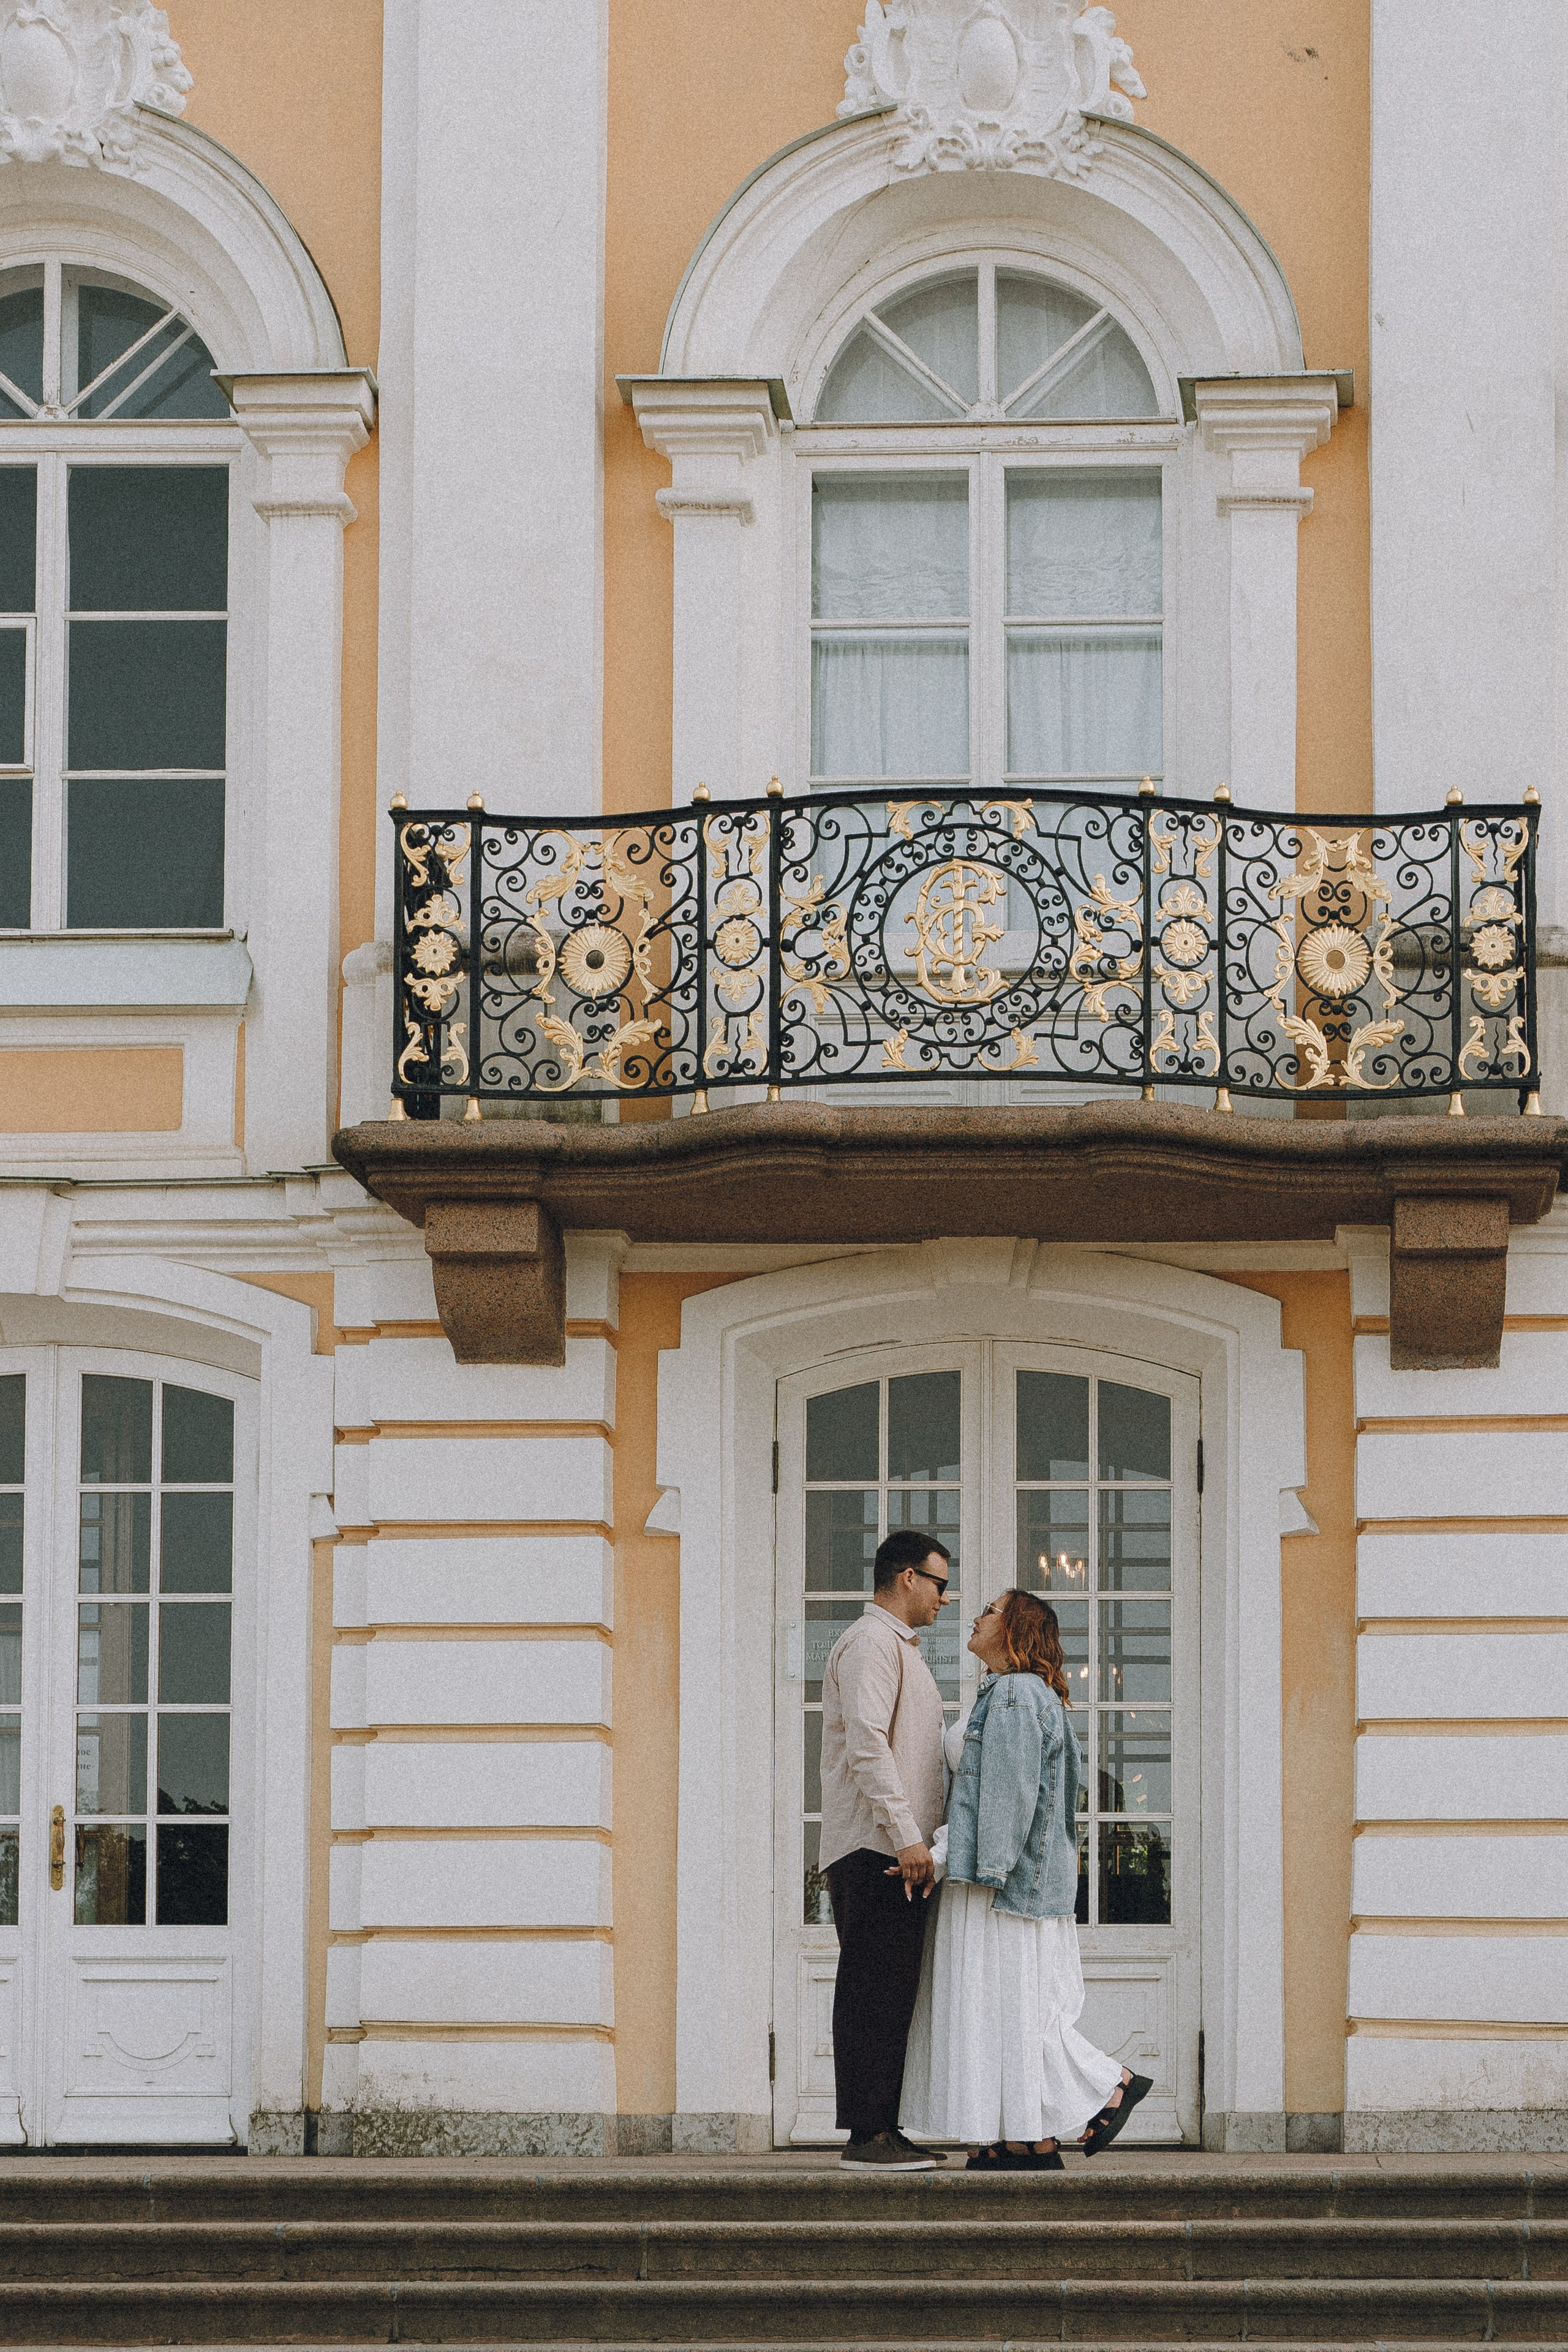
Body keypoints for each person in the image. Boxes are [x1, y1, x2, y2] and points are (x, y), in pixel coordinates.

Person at [900, 1588, 1152, 2171]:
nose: (975, 1615)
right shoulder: (1014, 1692)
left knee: (1006, 2011)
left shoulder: (1014, 1694)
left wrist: (945, 1863)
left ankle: (1108, 2086)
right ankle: (1022, 2136)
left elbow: (1008, 1801)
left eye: (990, 1610)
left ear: (1014, 1628)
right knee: (1009, 2014)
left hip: (997, 1888)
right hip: (1005, 1884)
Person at [818, 1526, 951, 2170]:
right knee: (872, 1989)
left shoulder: (896, 1646)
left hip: (894, 1849)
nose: (944, 1600)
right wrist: (907, 1835)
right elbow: (867, 1743)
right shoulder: (873, 1642)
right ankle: (867, 2135)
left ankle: (880, 2127)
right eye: (939, 1584)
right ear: (907, 1578)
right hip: (879, 1849)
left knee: (888, 1990)